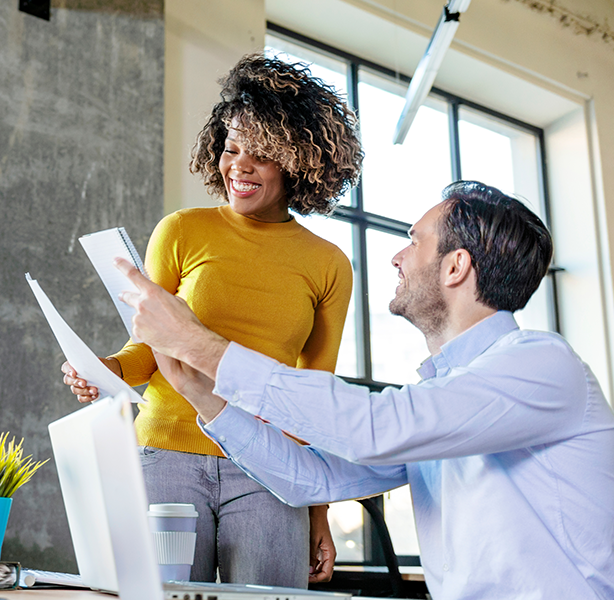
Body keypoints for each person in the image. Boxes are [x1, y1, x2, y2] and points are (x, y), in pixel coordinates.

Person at [113, 181, 614, 600]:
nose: (397, 257)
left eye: (413, 241)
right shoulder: (451, 398)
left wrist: (204, 347)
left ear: (455, 266)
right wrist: (204, 395)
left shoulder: (542, 366)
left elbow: (374, 427)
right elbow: (309, 479)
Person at [61, 53, 363, 587]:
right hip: (168, 452)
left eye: (261, 154)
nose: (239, 166)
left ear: (298, 161)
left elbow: (316, 393)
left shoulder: (329, 263)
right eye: (231, 148)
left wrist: (319, 510)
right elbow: (148, 348)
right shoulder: (181, 230)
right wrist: (104, 367)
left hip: (270, 468)